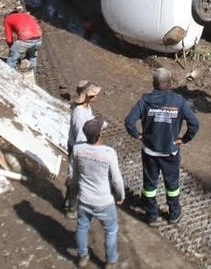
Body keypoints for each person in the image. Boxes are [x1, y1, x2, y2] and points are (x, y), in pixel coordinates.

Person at [124, 67, 199, 226]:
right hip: (170, 152)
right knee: (172, 184)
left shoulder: (145, 100)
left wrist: (138, 135)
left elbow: (129, 122)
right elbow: (194, 123)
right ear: (170, 83)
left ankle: (152, 215)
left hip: (149, 152)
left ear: (154, 83)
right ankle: (174, 214)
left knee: (149, 184)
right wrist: (184, 139)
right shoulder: (179, 101)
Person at [68, 117, 124, 268]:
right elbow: (117, 180)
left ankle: (82, 257)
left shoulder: (78, 150)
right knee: (111, 231)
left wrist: (73, 195)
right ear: (100, 134)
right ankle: (110, 261)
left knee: (82, 227)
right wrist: (120, 196)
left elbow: (74, 177)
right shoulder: (109, 153)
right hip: (104, 201)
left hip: (84, 199)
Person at [65, 81, 102, 217]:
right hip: (79, 149)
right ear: (86, 96)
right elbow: (81, 138)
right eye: (93, 95)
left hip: (78, 146)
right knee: (77, 180)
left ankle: (69, 202)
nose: (96, 96)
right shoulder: (79, 114)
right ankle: (71, 209)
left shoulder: (86, 107)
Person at [3, 4, 41, 71]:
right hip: (38, 39)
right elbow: (36, 25)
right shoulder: (27, 15)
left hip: (26, 38)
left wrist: (12, 48)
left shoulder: (7, 19)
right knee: (32, 57)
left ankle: (9, 73)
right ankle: (32, 73)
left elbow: (9, 40)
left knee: (12, 60)